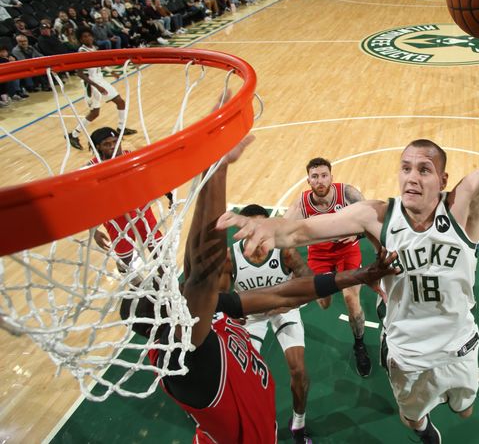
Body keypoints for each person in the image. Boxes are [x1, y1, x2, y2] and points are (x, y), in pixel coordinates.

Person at [218, 24, 479, 444]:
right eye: (405, 167)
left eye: (424, 169)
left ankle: (450, 403)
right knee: (412, 420)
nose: (412, 176)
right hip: (406, 353)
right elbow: (302, 229)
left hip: (460, 346)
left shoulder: (464, 207)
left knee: (466, 409)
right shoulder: (376, 215)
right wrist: (268, 228)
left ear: (442, 179)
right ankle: (425, 430)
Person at [122, 134, 399, 444]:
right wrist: (215, 166)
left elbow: (283, 295)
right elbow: (201, 272)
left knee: (298, 370)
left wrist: (358, 276)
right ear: (165, 313)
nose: (171, 284)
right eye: (163, 289)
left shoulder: (205, 313)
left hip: (267, 354)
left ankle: (299, 424)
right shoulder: (183, 349)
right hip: (246, 428)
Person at [229, 204, 314, 444]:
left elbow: (310, 284)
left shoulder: (283, 251)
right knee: (240, 380)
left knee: (298, 370)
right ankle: (253, 423)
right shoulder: (231, 257)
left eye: (262, 225)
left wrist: (291, 305)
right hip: (251, 316)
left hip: (282, 309)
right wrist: (231, 314)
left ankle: (298, 424)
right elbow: (218, 296)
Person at [284, 159, 372, 378]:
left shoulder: (348, 194)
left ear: (331, 177)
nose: (320, 181)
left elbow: (372, 218)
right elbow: (283, 230)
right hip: (319, 255)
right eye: (315, 177)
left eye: (324, 175)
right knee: (324, 303)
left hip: (347, 251)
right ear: (308, 180)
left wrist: (357, 234)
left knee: (351, 300)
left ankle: (359, 345)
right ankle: (326, 286)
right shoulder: (302, 203)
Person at [86, 127, 168, 268]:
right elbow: (87, 203)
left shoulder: (131, 156)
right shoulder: (91, 169)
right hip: (116, 219)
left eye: (115, 141)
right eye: (107, 144)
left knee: (158, 251)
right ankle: (134, 287)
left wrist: (168, 193)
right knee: (125, 261)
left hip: (142, 211)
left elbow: (149, 178)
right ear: (98, 146)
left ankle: (165, 282)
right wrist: (93, 231)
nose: (113, 146)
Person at [65, 28, 136, 150]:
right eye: (84, 36)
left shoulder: (93, 48)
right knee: (95, 113)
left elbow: (99, 64)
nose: (88, 38)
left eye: (89, 36)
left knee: (119, 102)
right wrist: (97, 86)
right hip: (91, 84)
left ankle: (121, 128)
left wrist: (111, 71)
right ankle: (74, 134)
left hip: (100, 80)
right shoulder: (81, 52)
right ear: (80, 39)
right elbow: (80, 73)